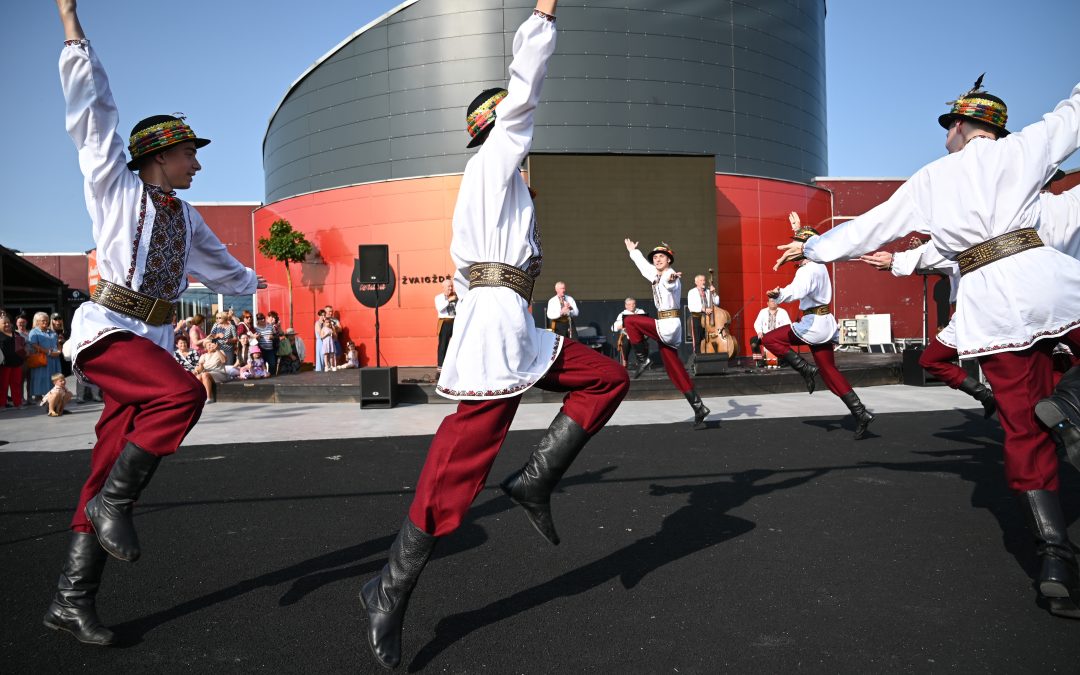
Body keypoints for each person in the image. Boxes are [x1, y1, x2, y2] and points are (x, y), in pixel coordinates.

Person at [360, 4, 629, 669]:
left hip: (517, 328)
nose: (525, 135)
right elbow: (524, 94)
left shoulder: (500, 191)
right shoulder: (491, 166)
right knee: (456, 469)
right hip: (496, 334)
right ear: (497, 127)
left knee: (609, 376)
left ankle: (536, 481)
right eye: (513, 123)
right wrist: (540, 19)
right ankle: (387, 592)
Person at [773, 75, 1080, 618]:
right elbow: (1073, 112)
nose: (944, 137)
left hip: (992, 303)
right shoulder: (1029, 148)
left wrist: (814, 247)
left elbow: (871, 226)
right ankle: (1072, 403)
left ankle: (1055, 555)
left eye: (948, 127)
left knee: (1021, 427)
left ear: (963, 126)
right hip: (1047, 280)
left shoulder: (931, 179)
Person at [43, 0, 264, 648]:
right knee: (181, 392)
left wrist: (274, 278)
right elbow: (93, 116)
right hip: (109, 327)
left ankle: (71, 596)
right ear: (160, 155)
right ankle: (112, 506)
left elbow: (229, 274)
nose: (197, 163)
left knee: (110, 460)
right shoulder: (115, 186)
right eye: (190, 152)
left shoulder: (186, 217)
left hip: (153, 337)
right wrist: (71, 31)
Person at [764, 212, 875, 439]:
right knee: (830, 371)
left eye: (796, 244)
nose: (792, 248)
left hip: (813, 324)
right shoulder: (819, 265)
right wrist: (798, 231)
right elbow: (809, 244)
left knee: (769, 340)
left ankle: (805, 368)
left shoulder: (808, 270)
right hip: (825, 322)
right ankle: (860, 411)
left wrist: (779, 294)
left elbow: (798, 290)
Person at [622, 239, 711, 429]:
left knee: (629, 320)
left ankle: (642, 358)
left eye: (661, 256)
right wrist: (633, 252)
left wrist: (672, 279)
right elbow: (643, 268)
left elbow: (671, 282)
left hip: (668, 324)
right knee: (674, 370)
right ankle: (698, 407)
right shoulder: (655, 274)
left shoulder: (670, 274)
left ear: (669, 260)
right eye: (655, 257)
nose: (657, 260)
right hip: (667, 324)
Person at [28, 312, 63, 402]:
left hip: (54, 358)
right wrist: (48, 352)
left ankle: (54, 394)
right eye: (43, 320)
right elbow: (34, 345)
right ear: (37, 321)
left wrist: (59, 351)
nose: (45, 322)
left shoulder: (51, 331)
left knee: (54, 377)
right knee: (41, 377)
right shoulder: (34, 332)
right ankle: (38, 396)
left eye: (47, 320)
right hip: (42, 358)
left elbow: (57, 342)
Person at [751, 297, 792, 367]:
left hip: (778, 336)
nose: (773, 302)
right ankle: (759, 361)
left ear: (777, 303)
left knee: (785, 342)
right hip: (765, 336)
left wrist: (782, 334)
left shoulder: (783, 312)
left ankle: (783, 360)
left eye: (774, 301)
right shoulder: (762, 312)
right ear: (768, 303)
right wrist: (759, 332)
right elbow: (757, 323)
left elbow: (788, 325)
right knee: (753, 341)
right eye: (771, 301)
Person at [686, 274, 719, 354]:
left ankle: (708, 355)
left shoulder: (708, 291)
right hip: (697, 317)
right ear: (696, 282)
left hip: (708, 318)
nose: (703, 282)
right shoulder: (692, 292)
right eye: (701, 280)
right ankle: (698, 358)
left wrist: (714, 293)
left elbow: (717, 302)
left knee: (708, 338)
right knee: (697, 340)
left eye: (704, 280)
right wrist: (703, 309)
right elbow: (691, 306)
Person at [0, 313, 25, 409]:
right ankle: (1, 404)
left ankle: (17, 403)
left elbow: (22, 346)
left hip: (16, 363)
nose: (7, 324)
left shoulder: (16, 334)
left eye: (8, 322)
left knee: (16, 384)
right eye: (4, 323)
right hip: (4, 364)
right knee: (3, 385)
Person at [611, 297, 645, 366]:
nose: (632, 306)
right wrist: (621, 325)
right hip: (627, 335)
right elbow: (613, 328)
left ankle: (641, 361)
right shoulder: (622, 314)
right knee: (625, 341)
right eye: (629, 304)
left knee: (640, 341)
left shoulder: (640, 312)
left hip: (639, 335)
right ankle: (625, 359)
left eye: (633, 304)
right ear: (626, 306)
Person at [434, 279, 457, 369]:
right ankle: (440, 367)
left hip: (455, 321)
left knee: (457, 345)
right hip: (445, 322)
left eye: (451, 286)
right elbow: (440, 308)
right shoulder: (438, 297)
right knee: (443, 345)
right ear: (443, 287)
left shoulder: (456, 296)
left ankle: (454, 367)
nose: (451, 288)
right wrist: (449, 300)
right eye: (448, 286)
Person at [253, 312, 278, 376]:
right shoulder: (255, 329)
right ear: (257, 320)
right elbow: (253, 339)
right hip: (261, 349)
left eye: (263, 318)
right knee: (262, 364)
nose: (263, 320)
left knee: (272, 364)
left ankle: (271, 375)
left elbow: (276, 335)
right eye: (261, 319)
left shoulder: (270, 326)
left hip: (270, 349)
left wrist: (273, 337)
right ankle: (264, 376)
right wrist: (257, 338)